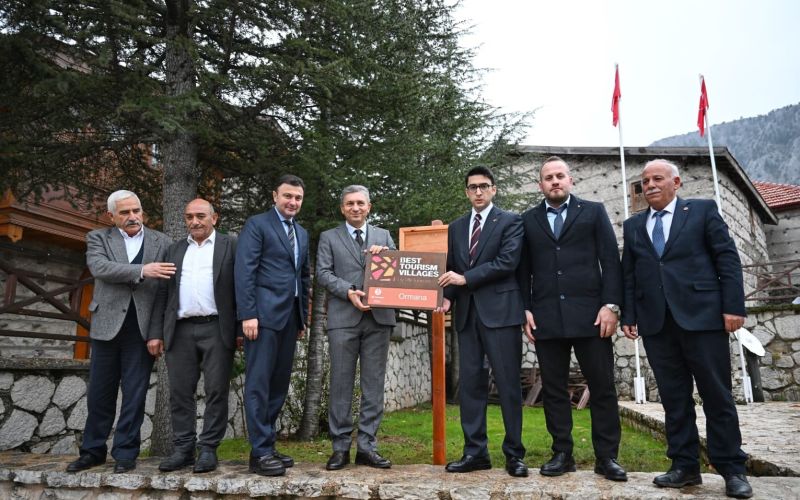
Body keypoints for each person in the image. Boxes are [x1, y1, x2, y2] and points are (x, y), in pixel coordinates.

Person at [621, 159, 752, 499]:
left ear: (676, 183)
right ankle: (685, 466)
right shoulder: (633, 226)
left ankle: (732, 469)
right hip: (657, 324)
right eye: (645, 181)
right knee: (674, 398)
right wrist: (629, 315)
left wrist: (733, 307)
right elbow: (629, 275)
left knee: (717, 396)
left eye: (657, 179)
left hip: (703, 318)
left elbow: (727, 259)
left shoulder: (702, 211)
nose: (650, 185)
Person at [516, 156, 627, 481]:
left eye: (560, 176)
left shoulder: (593, 212)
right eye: (548, 177)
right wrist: (525, 308)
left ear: (570, 180)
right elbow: (523, 270)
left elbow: (611, 260)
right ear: (540, 185)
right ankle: (562, 454)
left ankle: (607, 457)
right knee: (553, 390)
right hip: (546, 319)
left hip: (593, 317)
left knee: (602, 388)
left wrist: (611, 305)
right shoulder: (528, 220)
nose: (555, 181)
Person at [67, 190, 174, 474]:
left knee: (135, 394)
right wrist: (143, 270)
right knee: (99, 393)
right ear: (111, 216)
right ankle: (92, 452)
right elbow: (100, 268)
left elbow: (164, 292)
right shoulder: (98, 238)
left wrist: (157, 332)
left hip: (141, 330)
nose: (132, 217)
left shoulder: (162, 242)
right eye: (125, 212)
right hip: (106, 326)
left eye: (136, 211)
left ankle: (126, 453)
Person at [437, 166, 528, 477]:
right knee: (471, 386)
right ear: (466, 192)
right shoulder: (456, 227)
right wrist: (448, 296)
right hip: (466, 315)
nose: (478, 191)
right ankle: (475, 453)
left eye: (484, 186)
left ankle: (514, 455)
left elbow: (507, 262)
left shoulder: (511, 221)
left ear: (494, 189)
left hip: (501, 314)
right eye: (473, 187)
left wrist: (465, 279)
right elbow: (451, 267)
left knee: (508, 385)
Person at [149, 199, 238, 473]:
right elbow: (162, 293)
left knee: (216, 390)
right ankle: (183, 449)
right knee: (179, 392)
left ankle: (208, 449)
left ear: (214, 218)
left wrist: (240, 328)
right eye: (189, 216)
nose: (194, 221)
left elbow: (242, 287)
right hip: (180, 329)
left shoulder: (231, 246)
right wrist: (156, 333)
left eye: (200, 216)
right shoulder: (174, 249)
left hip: (217, 328)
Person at [235, 174, 311, 477]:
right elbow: (245, 271)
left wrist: (302, 317)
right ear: (275, 196)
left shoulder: (301, 233)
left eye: (298, 198)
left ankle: (265, 446)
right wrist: (248, 314)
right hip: (262, 318)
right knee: (259, 385)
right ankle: (261, 452)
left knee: (278, 385)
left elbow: (303, 277)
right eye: (287, 196)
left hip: (290, 319)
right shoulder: (257, 225)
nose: (292, 202)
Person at [316, 185, 396, 471]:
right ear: (342, 208)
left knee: (373, 385)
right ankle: (340, 449)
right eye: (350, 203)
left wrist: (387, 255)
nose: (355, 208)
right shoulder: (329, 237)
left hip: (379, 319)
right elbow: (322, 273)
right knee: (340, 385)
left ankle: (367, 447)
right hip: (343, 319)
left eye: (361, 203)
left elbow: (398, 269)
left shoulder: (383, 236)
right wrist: (348, 290)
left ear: (369, 207)